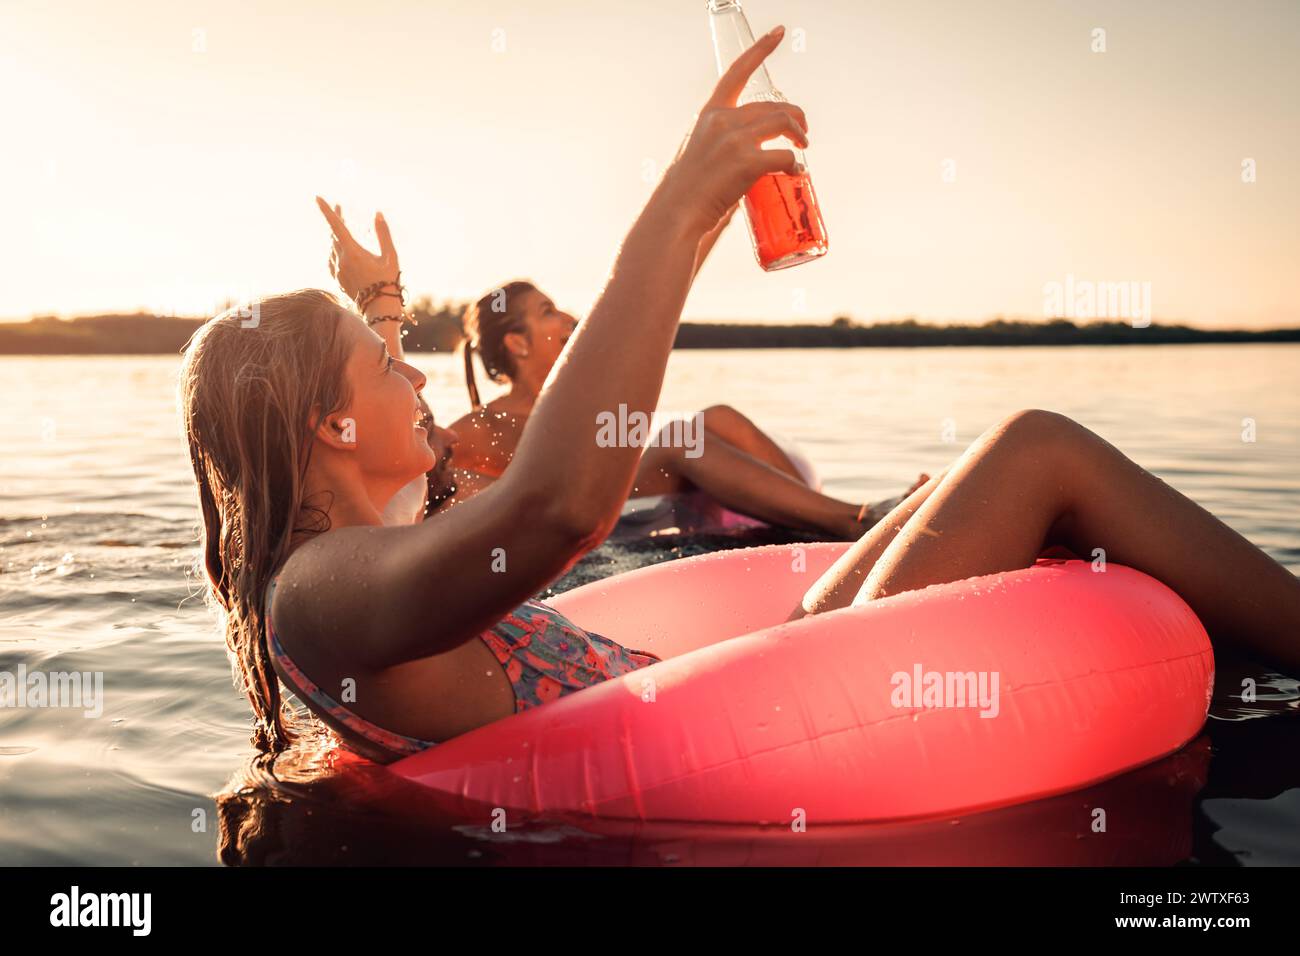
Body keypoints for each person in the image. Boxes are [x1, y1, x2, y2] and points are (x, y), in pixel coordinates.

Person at [181, 27, 1299, 768]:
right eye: (388, 364)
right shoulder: (320, 593)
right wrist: (674, 212)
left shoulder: (340, 552)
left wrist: (372, 301)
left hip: (764, 673)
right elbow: (556, 507)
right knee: (1037, 449)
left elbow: (372, 419)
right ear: (330, 426)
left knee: (961, 489)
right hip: (772, 730)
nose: (417, 370)